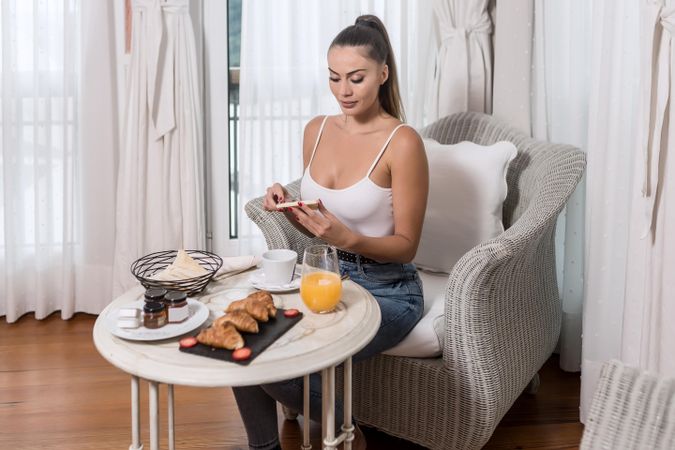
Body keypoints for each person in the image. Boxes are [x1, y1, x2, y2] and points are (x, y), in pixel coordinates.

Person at [232, 14, 429, 450]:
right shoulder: (316, 130)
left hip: (390, 289)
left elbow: (407, 245)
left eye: (356, 78)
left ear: (382, 73)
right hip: (326, 278)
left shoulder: (403, 142)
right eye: (334, 78)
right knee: (243, 344)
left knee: (283, 369)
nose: (344, 90)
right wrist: (287, 205)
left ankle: (345, 429)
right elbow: (316, 217)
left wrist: (347, 240)